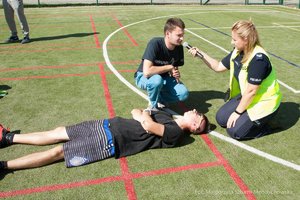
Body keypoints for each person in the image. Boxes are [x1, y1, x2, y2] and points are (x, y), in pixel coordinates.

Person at [0, 108, 209, 171]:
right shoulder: (168, 117)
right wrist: (143, 115)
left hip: (111, 141)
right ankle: (8, 138)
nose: (194, 111)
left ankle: (4, 165)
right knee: (56, 132)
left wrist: (144, 117)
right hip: (105, 124)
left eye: (197, 115)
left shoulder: (176, 132)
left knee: (58, 152)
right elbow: (138, 110)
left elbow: (146, 123)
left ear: (195, 126)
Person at [187, 20, 281, 140]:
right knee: (221, 119)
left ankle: (265, 127)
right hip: (248, 97)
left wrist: (237, 113)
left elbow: (252, 91)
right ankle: (246, 115)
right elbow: (218, 67)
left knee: (235, 132)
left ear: (246, 39)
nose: (232, 42)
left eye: (235, 40)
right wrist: (200, 53)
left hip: (264, 102)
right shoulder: (237, 52)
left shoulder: (259, 59)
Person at [134, 18, 189, 111]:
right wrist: (169, 67)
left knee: (183, 93)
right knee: (156, 80)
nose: (182, 38)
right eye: (179, 35)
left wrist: (174, 73)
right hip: (143, 77)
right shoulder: (155, 43)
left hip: (164, 78)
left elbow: (174, 67)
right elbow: (147, 72)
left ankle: (159, 98)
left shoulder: (178, 48)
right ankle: (152, 107)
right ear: (168, 34)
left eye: (183, 35)